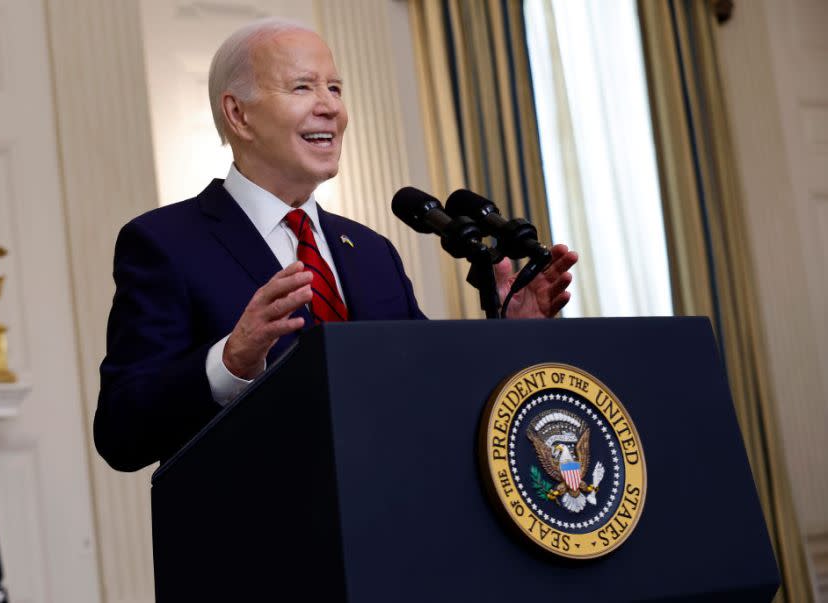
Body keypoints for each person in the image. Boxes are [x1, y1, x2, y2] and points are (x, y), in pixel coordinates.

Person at [94, 19, 577, 472]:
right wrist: (229, 361)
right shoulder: (166, 244)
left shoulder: (371, 252)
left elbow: (434, 385)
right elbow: (121, 432)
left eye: (335, 88)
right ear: (237, 113)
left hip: (390, 528)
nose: (330, 106)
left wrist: (511, 335)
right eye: (303, 87)